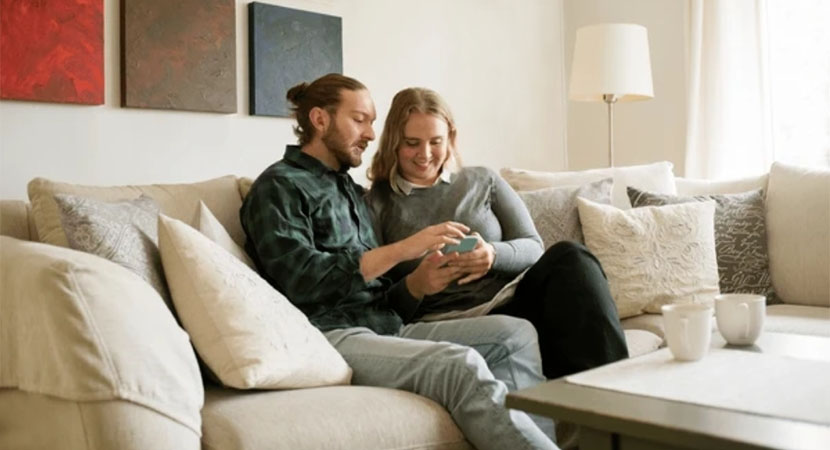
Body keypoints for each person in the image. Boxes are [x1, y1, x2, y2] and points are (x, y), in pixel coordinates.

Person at [240, 74, 558, 450]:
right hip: (330, 335)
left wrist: (417, 285)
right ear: (320, 120)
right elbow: (300, 280)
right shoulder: (278, 187)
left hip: (386, 325)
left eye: (372, 122)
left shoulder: (348, 190)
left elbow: (380, 297)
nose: (371, 134)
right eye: (359, 119)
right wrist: (405, 249)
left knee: (514, 335)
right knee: (458, 365)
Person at [366, 87, 629, 381]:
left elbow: (533, 246)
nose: (425, 154)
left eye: (435, 141)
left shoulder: (482, 180)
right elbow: (375, 302)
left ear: (450, 137)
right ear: (393, 142)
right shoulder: (377, 203)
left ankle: (613, 394)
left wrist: (492, 254)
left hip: (511, 300)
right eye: (412, 143)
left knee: (572, 257)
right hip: (448, 320)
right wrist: (416, 284)